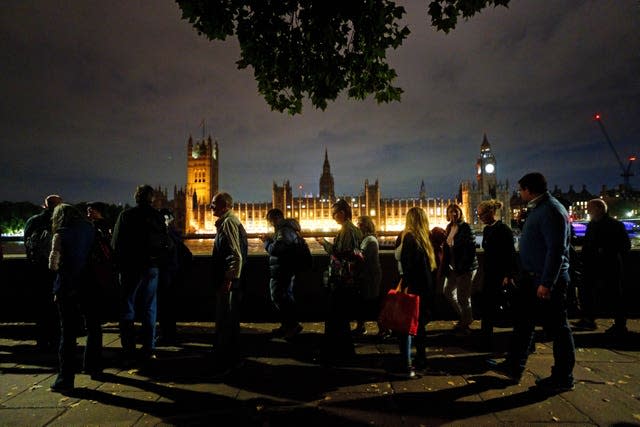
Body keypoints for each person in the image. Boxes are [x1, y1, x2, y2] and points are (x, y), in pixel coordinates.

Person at [488, 172, 575, 393]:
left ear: (530, 189)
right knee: (523, 324)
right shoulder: (540, 208)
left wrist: (546, 283)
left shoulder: (551, 210)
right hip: (531, 278)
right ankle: (514, 365)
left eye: (521, 190)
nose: (519, 193)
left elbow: (556, 251)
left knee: (559, 330)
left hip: (545, 281)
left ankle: (563, 377)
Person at [112, 185, 172, 363]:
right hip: (151, 267)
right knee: (149, 307)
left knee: (127, 305)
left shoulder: (126, 215)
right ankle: (148, 346)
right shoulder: (157, 216)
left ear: (136, 197)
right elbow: (165, 242)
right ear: (152, 199)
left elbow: (116, 243)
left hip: (131, 267)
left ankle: (128, 347)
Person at [48, 204, 102, 392]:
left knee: (68, 333)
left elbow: (53, 265)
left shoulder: (60, 234)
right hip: (89, 285)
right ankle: (94, 366)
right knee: (94, 327)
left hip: (68, 287)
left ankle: (66, 378)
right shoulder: (90, 229)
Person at [573, 199, 631, 335]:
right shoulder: (594, 224)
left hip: (608, 265)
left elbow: (624, 246)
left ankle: (619, 325)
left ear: (599, 209)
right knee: (588, 292)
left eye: (590, 208)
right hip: (593, 265)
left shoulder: (614, 225)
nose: (588, 211)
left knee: (614, 295)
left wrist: (604, 251)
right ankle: (589, 319)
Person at [317, 199, 362, 364]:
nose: (333, 217)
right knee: (341, 319)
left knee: (336, 318)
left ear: (342, 213)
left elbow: (341, 253)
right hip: (349, 279)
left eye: (334, 214)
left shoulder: (347, 231)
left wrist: (325, 244)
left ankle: (336, 353)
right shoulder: (354, 230)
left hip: (342, 279)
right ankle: (344, 352)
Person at [396, 207, 437, 377]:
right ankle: (422, 359)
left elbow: (408, 267)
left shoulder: (410, 238)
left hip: (413, 288)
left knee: (405, 328)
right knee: (420, 327)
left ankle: (406, 364)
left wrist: (402, 287)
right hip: (426, 288)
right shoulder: (425, 238)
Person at [210, 192, 248, 371]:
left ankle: (230, 358)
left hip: (230, 281)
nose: (211, 207)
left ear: (224, 205)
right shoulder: (227, 221)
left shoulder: (229, 222)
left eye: (214, 204)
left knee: (228, 319)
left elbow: (236, 255)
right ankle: (228, 356)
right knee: (227, 319)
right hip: (229, 279)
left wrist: (228, 279)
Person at [24, 194, 63, 350]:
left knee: (40, 305)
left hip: (38, 269)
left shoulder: (33, 221)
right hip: (57, 268)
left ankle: (42, 338)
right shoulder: (61, 221)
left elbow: (27, 244)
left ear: (45, 205)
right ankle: (56, 338)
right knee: (57, 306)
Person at [477, 199, 517, 350]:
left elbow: (510, 254)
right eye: (479, 214)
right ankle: (485, 340)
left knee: (496, 309)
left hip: (500, 275)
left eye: (482, 214)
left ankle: (495, 341)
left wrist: (508, 275)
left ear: (492, 213)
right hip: (489, 274)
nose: (480, 217)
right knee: (486, 308)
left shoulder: (504, 229)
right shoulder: (487, 229)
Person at [261, 208, 303, 340]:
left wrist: (266, 241)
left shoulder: (284, 230)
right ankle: (286, 326)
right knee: (284, 296)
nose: (271, 224)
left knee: (280, 297)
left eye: (271, 221)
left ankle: (293, 326)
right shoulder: (285, 230)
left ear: (277, 218)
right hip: (285, 268)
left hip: (283, 269)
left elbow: (276, 249)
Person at [157, 209, 193, 346]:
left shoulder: (165, 236)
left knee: (165, 308)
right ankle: (169, 335)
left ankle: (167, 336)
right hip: (173, 275)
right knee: (169, 309)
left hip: (166, 276)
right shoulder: (174, 235)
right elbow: (187, 255)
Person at [443, 203, 478, 334]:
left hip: (465, 268)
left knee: (463, 297)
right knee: (447, 291)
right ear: (448, 214)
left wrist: (463, 267)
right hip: (453, 267)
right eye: (451, 212)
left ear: (460, 213)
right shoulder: (449, 227)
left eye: (456, 211)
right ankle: (465, 317)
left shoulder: (466, 227)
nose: (454, 214)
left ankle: (466, 321)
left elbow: (470, 250)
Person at [353, 216, 382, 336]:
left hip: (370, 277)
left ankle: (384, 328)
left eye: (360, 224)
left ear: (366, 226)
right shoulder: (366, 239)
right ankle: (360, 326)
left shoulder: (370, 240)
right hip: (366, 275)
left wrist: (353, 251)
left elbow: (362, 257)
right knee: (362, 302)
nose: (358, 226)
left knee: (372, 303)